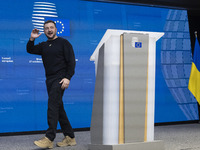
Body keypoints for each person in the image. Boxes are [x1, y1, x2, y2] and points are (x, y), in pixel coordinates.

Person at [26, 20, 76, 149]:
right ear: (44, 31)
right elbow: (30, 50)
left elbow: (71, 62)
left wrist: (67, 78)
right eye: (46, 28)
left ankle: (49, 138)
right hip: (49, 80)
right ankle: (70, 137)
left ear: (56, 29)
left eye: (51, 27)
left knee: (53, 105)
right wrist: (32, 38)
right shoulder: (43, 45)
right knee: (58, 107)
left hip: (60, 79)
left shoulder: (64, 43)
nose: (49, 30)